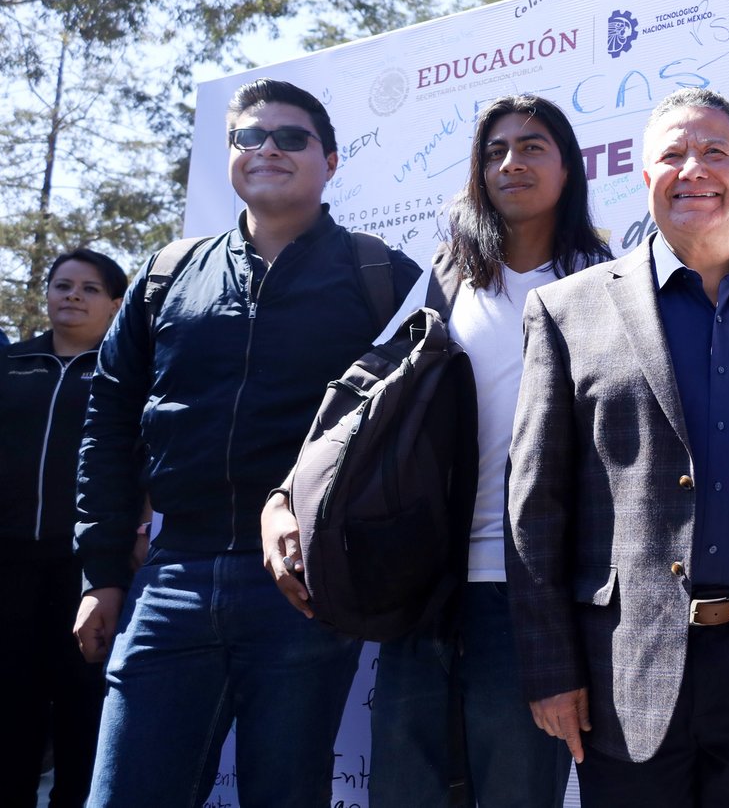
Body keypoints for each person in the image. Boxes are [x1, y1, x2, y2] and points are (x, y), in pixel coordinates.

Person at [74, 79, 420, 808]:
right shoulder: (166, 276)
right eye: (249, 137)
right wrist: (101, 573)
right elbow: (107, 424)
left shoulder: (384, 278)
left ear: (330, 160)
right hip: (169, 578)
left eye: (290, 138)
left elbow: (418, 435)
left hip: (304, 588)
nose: (267, 149)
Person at [261, 94, 610, 806]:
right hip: (426, 590)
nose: (511, 163)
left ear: (568, 168)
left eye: (532, 146)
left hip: (537, 604)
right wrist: (284, 496)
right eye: (494, 151)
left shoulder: (607, 281)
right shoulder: (446, 278)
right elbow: (363, 397)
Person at [505, 87, 729, 806]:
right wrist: (550, 669)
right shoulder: (567, 310)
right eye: (673, 154)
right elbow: (535, 508)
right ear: (644, 176)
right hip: (625, 669)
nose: (694, 169)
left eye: (716, 152)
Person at [3, 249, 128, 808]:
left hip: (88, 568)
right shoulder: (12, 363)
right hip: (9, 563)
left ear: (116, 305)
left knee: (82, 702)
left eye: (90, 288)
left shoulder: (128, 371)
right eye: (63, 285)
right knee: (12, 700)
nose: (73, 295)